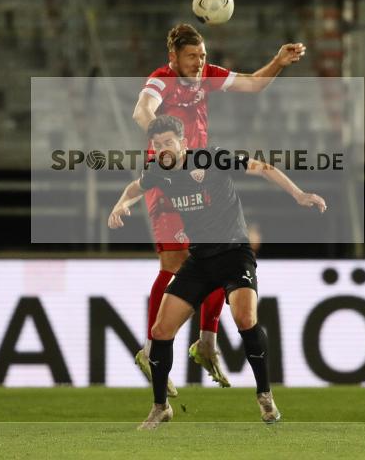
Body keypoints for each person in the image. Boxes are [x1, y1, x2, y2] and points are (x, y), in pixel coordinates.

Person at [108, 115, 326, 429]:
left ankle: (264, 395)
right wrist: (120, 204)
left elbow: (263, 167)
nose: (163, 149)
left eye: (169, 142)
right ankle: (161, 407)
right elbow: (134, 187)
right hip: (199, 261)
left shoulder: (212, 158)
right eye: (157, 145)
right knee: (159, 332)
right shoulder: (157, 171)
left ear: (183, 143)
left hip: (235, 253)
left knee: (245, 319)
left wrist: (299, 194)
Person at [131, 23, 305, 394]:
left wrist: (278, 61)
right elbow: (141, 110)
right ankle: (151, 348)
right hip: (168, 180)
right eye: (192, 56)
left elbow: (254, 84)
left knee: (218, 253)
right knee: (175, 262)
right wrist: (162, 141)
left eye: (203, 55)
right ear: (173, 58)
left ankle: (207, 340)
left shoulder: (208, 75)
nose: (199, 63)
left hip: (203, 175)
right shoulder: (162, 79)